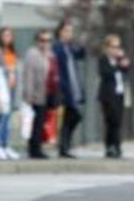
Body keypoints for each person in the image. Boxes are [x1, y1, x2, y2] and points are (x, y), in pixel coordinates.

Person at [52, 20, 86, 158]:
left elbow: (81, 55)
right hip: (64, 88)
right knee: (72, 115)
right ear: (60, 32)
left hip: (73, 86)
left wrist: (83, 43)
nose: (69, 34)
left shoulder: (69, 48)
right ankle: (63, 146)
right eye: (67, 31)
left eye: (71, 31)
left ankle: (64, 145)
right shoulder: (57, 48)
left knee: (73, 117)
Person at [22, 30, 55, 159]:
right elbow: (29, 76)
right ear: (37, 41)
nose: (45, 43)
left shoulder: (50, 55)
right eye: (43, 40)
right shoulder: (33, 55)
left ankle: (38, 146)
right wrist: (29, 95)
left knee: (42, 122)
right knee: (37, 122)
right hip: (36, 94)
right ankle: (34, 149)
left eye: (48, 40)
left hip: (48, 92)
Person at [0, 27, 20, 160]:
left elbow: (15, 70)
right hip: (2, 91)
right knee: (0, 118)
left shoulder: (12, 52)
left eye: (9, 35)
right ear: (0, 37)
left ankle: (6, 145)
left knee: (7, 119)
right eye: (5, 35)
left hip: (11, 89)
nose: (7, 37)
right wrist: (7, 69)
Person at [97, 34, 130, 158]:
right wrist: (118, 65)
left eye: (117, 46)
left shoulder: (119, 60)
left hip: (119, 93)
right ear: (107, 47)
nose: (115, 49)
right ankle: (110, 146)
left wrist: (123, 63)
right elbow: (105, 73)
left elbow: (126, 70)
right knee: (111, 120)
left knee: (118, 121)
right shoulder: (104, 60)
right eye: (113, 46)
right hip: (108, 94)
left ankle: (117, 146)